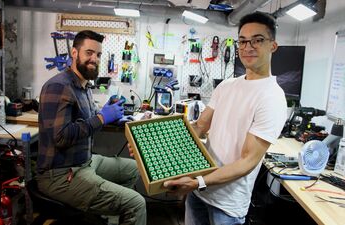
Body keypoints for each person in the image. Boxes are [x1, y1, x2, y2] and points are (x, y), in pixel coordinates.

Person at [162, 12, 287, 225]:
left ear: (272, 46)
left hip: (227, 204)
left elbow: (247, 161)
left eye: (257, 40)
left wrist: (198, 182)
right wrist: (154, 146)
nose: (248, 47)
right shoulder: (227, 86)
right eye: (243, 41)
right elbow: (200, 126)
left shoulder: (272, 98)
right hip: (199, 193)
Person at [36, 30, 146, 225]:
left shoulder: (83, 86)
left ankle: (108, 218)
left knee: (134, 169)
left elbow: (88, 119)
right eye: (89, 53)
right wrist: (102, 118)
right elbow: (60, 137)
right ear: (74, 53)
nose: (94, 59)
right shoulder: (59, 86)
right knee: (136, 203)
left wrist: (112, 116)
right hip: (60, 174)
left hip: (84, 162)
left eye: (98, 54)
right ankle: (114, 210)